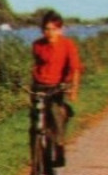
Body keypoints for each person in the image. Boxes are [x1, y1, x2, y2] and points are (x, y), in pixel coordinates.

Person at [30, 10, 81, 166]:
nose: (50, 33)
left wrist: (73, 89)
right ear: (42, 29)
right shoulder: (37, 45)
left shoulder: (67, 45)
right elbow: (37, 66)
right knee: (34, 127)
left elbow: (75, 68)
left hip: (57, 87)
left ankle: (59, 146)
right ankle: (36, 166)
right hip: (39, 86)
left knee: (55, 114)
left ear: (60, 29)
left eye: (54, 29)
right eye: (47, 29)